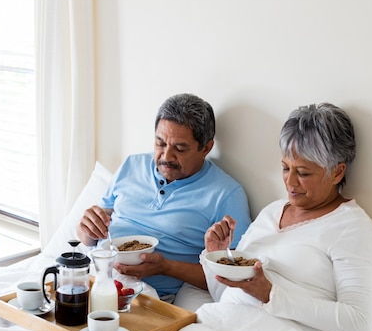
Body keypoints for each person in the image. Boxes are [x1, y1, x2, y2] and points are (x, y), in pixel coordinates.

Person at [202, 103, 372, 331]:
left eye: (303, 172)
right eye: (286, 168)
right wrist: (217, 255)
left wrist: (272, 295)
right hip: (221, 329)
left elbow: (359, 323)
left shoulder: (352, 228)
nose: (289, 181)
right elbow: (223, 295)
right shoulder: (272, 212)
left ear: (337, 172)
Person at [77, 93, 251, 301]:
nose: (166, 157)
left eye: (180, 148)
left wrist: (166, 267)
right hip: (95, 277)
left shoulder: (226, 194)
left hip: (147, 298)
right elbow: (90, 235)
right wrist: (87, 228)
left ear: (206, 148)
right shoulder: (131, 165)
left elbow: (231, 278)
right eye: (160, 144)